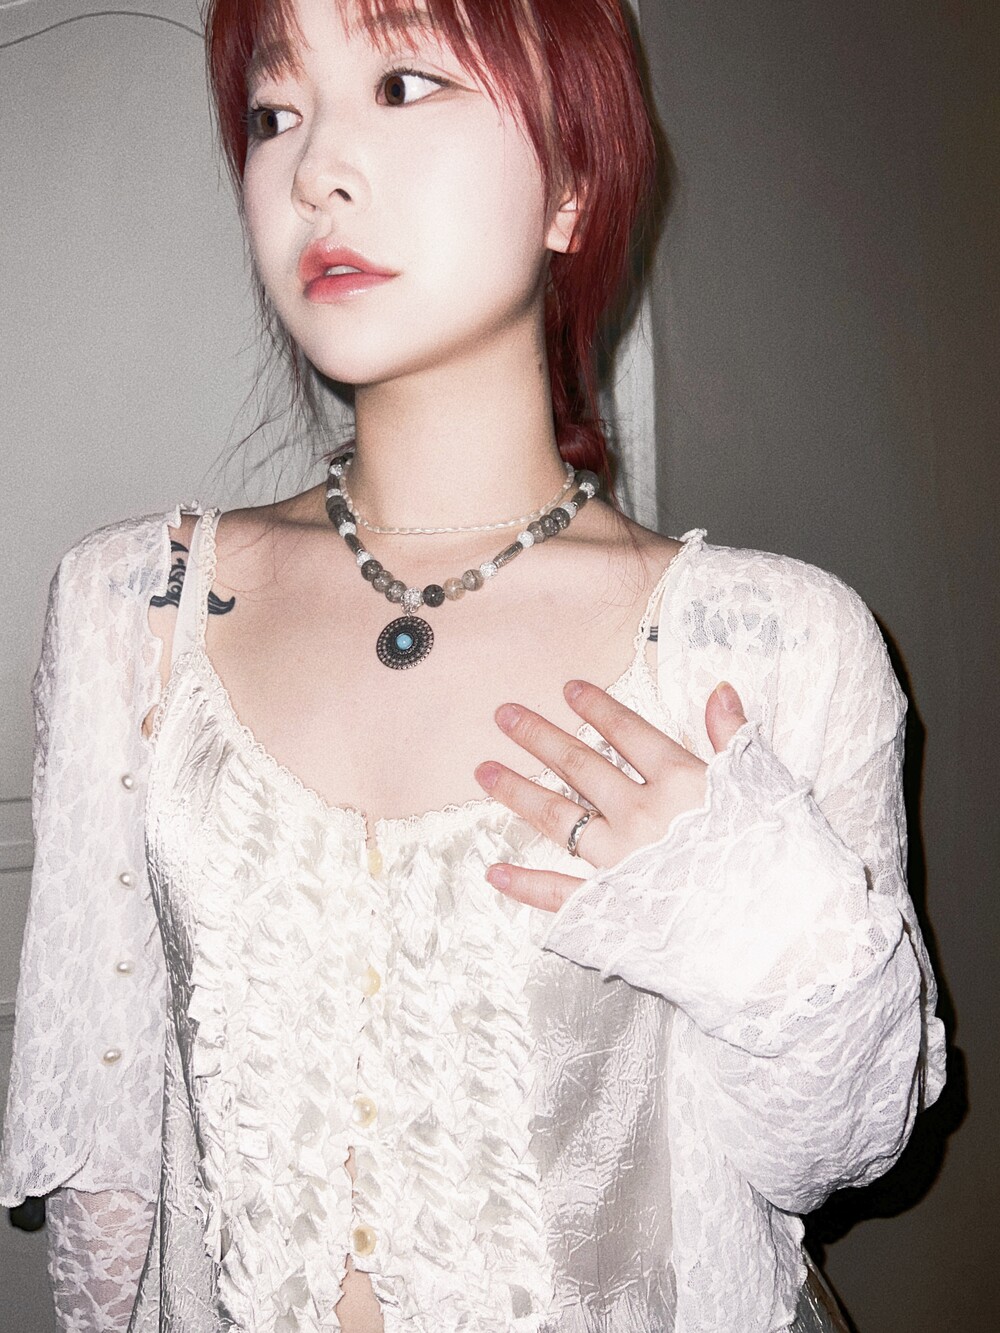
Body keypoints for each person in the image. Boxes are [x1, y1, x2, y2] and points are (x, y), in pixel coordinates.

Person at [0, 0, 945, 1330]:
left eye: (402, 84)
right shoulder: (127, 606)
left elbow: (833, 1153)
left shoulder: (776, 644)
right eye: (275, 112)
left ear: (569, 185)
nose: (314, 168)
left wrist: (746, 904)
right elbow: (107, 1173)